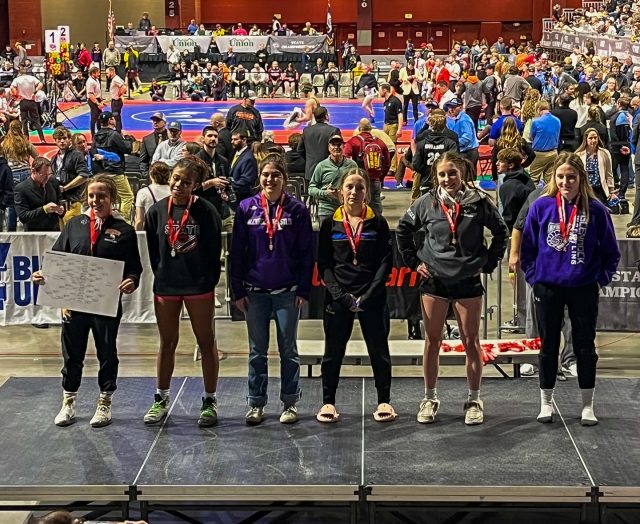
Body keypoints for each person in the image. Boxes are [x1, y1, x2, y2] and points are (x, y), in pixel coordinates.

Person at [396, 152, 508, 425]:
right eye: (442, 174)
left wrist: (488, 263)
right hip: (434, 280)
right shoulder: (426, 202)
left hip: (467, 280)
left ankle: (474, 400)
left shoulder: (479, 201)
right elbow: (403, 230)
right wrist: (414, 263)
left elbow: (501, 232)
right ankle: (430, 398)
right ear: (436, 177)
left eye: (452, 173)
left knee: (471, 341)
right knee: (432, 341)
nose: (448, 179)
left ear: (463, 173)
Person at [32, 174, 143, 427]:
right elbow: (58, 260)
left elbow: (134, 268)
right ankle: (68, 402)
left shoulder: (124, 230)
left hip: (105, 305)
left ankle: (105, 402)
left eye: (101, 196)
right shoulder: (74, 224)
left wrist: (131, 280)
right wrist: (43, 274)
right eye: (91, 196)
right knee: (72, 354)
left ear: (112, 198)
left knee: (107, 353)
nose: (95, 200)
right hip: (74, 305)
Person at [520, 153, 620, 426]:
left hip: (583, 287)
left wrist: (600, 280)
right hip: (548, 287)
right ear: (554, 177)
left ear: (581, 178)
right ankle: (546, 402)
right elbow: (527, 248)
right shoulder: (541, 206)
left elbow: (611, 252)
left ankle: (587, 405)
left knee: (585, 347)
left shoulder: (596, 210)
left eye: (571, 177)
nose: (566, 182)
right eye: (561, 176)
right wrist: (534, 277)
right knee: (548, 346)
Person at [231, 154, 314, 425]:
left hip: (287, 292)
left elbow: (306, 253)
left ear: (284, 179)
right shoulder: (246, 208)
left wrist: (303, 289)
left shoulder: (297, 210)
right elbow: (237, 252)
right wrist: (237, 291)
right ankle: (256, 403)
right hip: (254, 292)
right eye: (266, 174)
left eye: (276, 175)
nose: (270, 179)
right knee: (257, 351)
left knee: (289, 350)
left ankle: (289, 402)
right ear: (259, 178)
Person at [143, 157, 222, 427]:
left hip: (198, 286)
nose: (178, 185)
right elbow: (154, 252)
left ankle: (209, 400)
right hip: (167, 286)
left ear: (196, 185)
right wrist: (163, 274)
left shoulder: (207, 211)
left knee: (206, 341)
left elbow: (214, 251)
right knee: (167, 343)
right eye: (176, 178)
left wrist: (207, 282)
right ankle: (161, 398)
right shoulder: (156, 211)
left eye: (186, 182)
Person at [316, 168, 394, 423]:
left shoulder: (378, 223)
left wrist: (368, 295)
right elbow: (324, 264)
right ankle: (328, 402)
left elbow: (385, 262)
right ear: (341, 192)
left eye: (360, 187)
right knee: (333, 352)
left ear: (367, 193)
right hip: (340, 299)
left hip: (372, 297)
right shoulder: (330, 223)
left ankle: (384, 400)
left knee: (379, 351)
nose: (354, 192)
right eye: (349, 187)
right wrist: (342, 296)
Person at [90, 111, 134, 222]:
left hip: (102, 173)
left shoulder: (96, 136)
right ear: (110, 120)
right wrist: (127, 138)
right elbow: (127, 149)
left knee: (109, 198)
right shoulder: (114, 135)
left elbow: (93, 152)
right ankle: (123, 221)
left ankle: (106, 220)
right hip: (116, 171)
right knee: (127, 197)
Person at [309, 135, 358, 224]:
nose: (336, 147)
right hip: (326, 209)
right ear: (329, 147)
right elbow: (311, 188)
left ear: (343, 146)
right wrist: (325, 193)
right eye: (333, 145)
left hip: (347, 209)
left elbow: (358, 185)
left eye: (339, 145)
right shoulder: (321, 166)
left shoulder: (352, 165)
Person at [343, 123, 390, 215]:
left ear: (359, 129)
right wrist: (380, 178)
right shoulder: (379, 142)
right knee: (376, 206)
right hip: (375, 180)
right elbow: (387, 163)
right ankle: (377, 222)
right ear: (371, 129)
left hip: (359, 181)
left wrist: (350, 175)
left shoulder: (353, 141)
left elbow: (345, 157)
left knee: (358, 206)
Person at [2, 119, 38, 230]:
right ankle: (29, 228)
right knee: (27, 202)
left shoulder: (4, 143)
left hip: (12, 174)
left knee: (12, 203)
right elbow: (37, 156)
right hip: (26, 173)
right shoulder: (26, 142)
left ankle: (11, 231)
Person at [412, 111, 459, 197]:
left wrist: (427, 171)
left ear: (431, 124)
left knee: (427, 204)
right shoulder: (450, 142)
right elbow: (455, 162)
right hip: (446, 182)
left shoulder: (422, 143)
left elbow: (416, 164)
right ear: (444, 125)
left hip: (426, 180)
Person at [51, 126, 91, 223]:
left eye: (64, 138)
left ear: (69, 140)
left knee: (71, 227)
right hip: (59, 202)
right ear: (55, 141)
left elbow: (84, 176)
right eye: (59, 139)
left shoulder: (76, 155)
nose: (62, 141)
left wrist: (65, 188)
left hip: (74, 200)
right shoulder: (54, 158)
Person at [14, 156, 63, 231]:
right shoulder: (21, 189)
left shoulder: (53, 181)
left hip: (54, 231)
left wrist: (61, 209)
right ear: (33, 171)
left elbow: (59, 200)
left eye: (49, 174)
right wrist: (44, 209)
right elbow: (23, 217)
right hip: (34, 233)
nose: (47, 178)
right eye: (44, 175)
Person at [297, 106, 341, 181]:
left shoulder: (306, 131)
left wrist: (310, 160)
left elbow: (300, 150)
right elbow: (338, 151)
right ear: (326, 116)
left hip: (311, 172)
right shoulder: (334, 131)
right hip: (329, 171)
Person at [497, 148, 535, 231]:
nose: (497, 163)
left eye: (501, 161)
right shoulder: (524, 176)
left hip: (519, 229)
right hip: (530, 224)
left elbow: (509, 217)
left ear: (511, 165)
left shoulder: (508, 186)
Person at [575, 128, 616, 205]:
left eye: (595, 137)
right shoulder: (578, 155)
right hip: (585, 191)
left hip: (600, 191)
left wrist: (612, 191)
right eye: (590, 138)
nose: (593, 140)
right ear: (586, 139)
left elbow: (609, 174)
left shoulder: (605, 153)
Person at [9, 65, 45, 142]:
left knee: (24, 121)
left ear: (19, 73)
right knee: (36, 120)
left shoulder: (17, 79)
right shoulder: (32, 78)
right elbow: (41, 84)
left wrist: (17, 96)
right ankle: (42, 139)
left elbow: (12, 88)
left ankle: (26, 139)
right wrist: (34, 92)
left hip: (23, 101)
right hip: (32, 100)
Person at [529, 100, 561, 185]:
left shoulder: (536, 121)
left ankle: (533, 194)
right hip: (554, 153)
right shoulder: (557, 120)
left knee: (533, 178)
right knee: (550, 180)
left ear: (538, 109)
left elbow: (531, 137)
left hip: (539, 154)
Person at [134, 161, 171, 230]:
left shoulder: (143, 192)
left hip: (151, 231)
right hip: (169, 230)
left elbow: (139, 221)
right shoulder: (173, 192)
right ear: (169, 175)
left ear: (150, 175)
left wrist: (136, 235)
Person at [380, 83, 403, 185]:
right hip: (386, 125)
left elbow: (400, 116)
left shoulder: (395, 101)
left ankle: (393, 168)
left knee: (392, 146)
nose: (379, 92)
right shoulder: (386, 101)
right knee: (384, 146)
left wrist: (399, 129)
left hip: (393, 125)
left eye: (380, 90)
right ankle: (387, 165)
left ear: (385, 90)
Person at [229, 131, 258, 205]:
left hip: (242, 199)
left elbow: (246, 181)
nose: (232, 142)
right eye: (232, 139)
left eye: (235, 139)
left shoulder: (248, 158)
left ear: (244, 140)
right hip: (235, 197)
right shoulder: (235, 152)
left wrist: (228, 186)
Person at [139, 112, 168, 176]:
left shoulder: (172, 137)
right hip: (153, 175)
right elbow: (143, 160)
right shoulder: (146, 139)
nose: (155, 122)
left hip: (169, 174)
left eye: (158, 120)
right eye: (153, 120)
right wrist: (146, 174)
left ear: (165, 123)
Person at [85, 67, 106, 137]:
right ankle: (93, 134)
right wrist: (98, 103)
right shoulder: (90, 82)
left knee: (99, 117)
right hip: (93, 100)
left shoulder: (96, 80)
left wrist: (101, 100)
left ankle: (100, 131)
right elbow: (91, 95)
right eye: (98, 73)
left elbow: (97, 92)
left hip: (97, 98)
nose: (99, 74)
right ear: (93, 73)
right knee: (94, 117)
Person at [106, 67, 126, 133]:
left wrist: (119, 95)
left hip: (116, 102)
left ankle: (118, 132)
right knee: (116, 117)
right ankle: (118, 131)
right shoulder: (116, 78)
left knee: (116, 117)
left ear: (111, 72)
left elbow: (124, 87)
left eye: (107, 73)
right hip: (116, 101)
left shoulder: (115, 79)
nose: (107, 75)